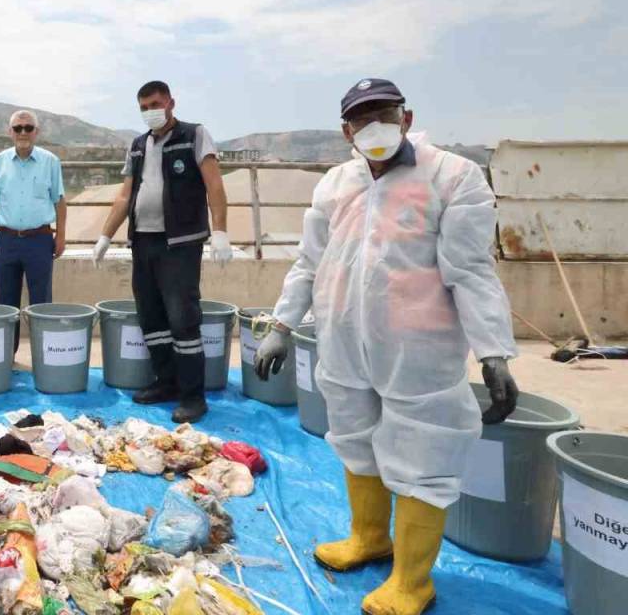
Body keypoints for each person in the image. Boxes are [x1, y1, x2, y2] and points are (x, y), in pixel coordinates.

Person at [254, 78, 519, 615]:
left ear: (407, 115)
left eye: (385, 113)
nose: (374, 127)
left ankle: (413, 580)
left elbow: (471, 271)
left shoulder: (452, 176)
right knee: (354, 435)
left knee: (425, 453)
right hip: (344, 339)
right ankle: (370, 537)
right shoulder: (335, 183)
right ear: (346, 130)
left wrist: (494, 351)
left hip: (419, 348)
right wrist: (281, 325)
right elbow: (310, 263)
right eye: (362, 118)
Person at [92, 81, 232, 423]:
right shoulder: (138, 145)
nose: (150, 111)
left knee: (183, 319)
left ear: (171, 102)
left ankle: (192, 396)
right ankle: (165, 382)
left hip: (180, 244)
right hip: (143, 241)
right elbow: (126, 196)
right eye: (143, 106)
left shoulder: (194, 135)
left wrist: (222, 231)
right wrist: (105, 236)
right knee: (152, 317)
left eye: (155, 103)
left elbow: (214, 185)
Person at [0, 110, 66, 354]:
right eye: (17, 128)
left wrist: (60, 236)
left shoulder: (51, 161)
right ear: (10, 132)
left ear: (36, 132)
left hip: (40, 240)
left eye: (28, 128)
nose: (23, 132)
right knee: (6, 304)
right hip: (7, 240)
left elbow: (59, 201)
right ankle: (6, 356)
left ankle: (43, 356)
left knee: (41, 303)